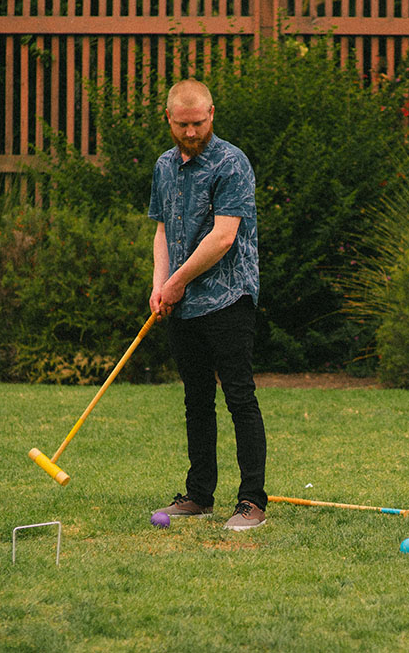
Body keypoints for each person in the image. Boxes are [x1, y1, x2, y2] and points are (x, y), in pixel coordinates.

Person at [147, 78, 268, 531]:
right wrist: (161, 285)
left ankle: (252, 501)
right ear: (169, 119)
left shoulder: (231, 163)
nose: (192, 132)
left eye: (198, 123)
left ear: (212, 114)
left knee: (239, 396)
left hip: (228, 296)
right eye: (183, 125)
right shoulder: (163, 166)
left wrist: (176, 281)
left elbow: (223, 237)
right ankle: (199, 495)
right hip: (183, 301)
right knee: (196, 399)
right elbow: (161, 230)